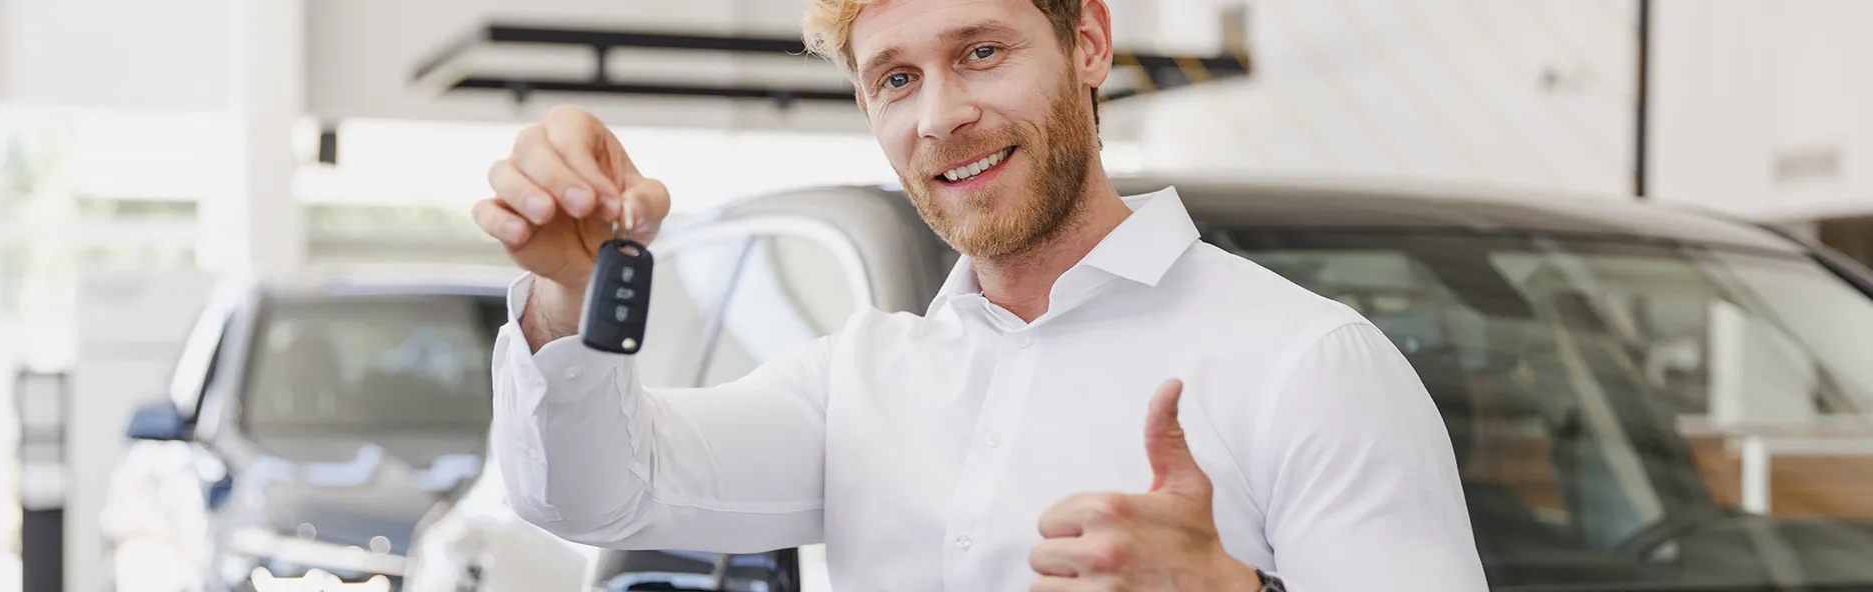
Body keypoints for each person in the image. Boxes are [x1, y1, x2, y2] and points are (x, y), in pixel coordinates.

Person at [471, 0, 1487, 589]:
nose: (942, 116)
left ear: (1088, 40)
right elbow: (592, 492)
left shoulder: (1310, 364)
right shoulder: (860, 382)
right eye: (896, 80)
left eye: (982, 52)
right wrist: (567, 293)